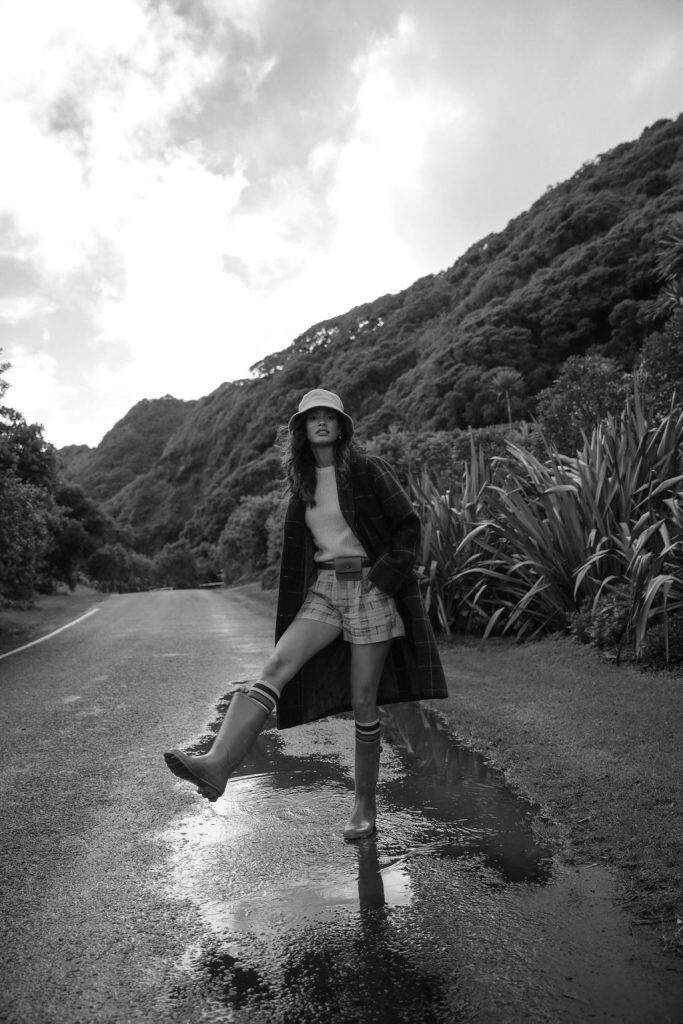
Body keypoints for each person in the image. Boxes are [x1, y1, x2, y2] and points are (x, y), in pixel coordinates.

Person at [164, 388, 447, 839]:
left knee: (363, 699)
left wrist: (383, 579)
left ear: (341, 426)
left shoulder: (368, 469)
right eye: (312, 417)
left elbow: (407, 526)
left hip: (371, 586)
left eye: (329, 417)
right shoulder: (303, 483)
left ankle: (364, 806)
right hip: (326, 589)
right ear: (301, 429)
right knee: (277, 664)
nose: (321, 423)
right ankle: (218, 764)